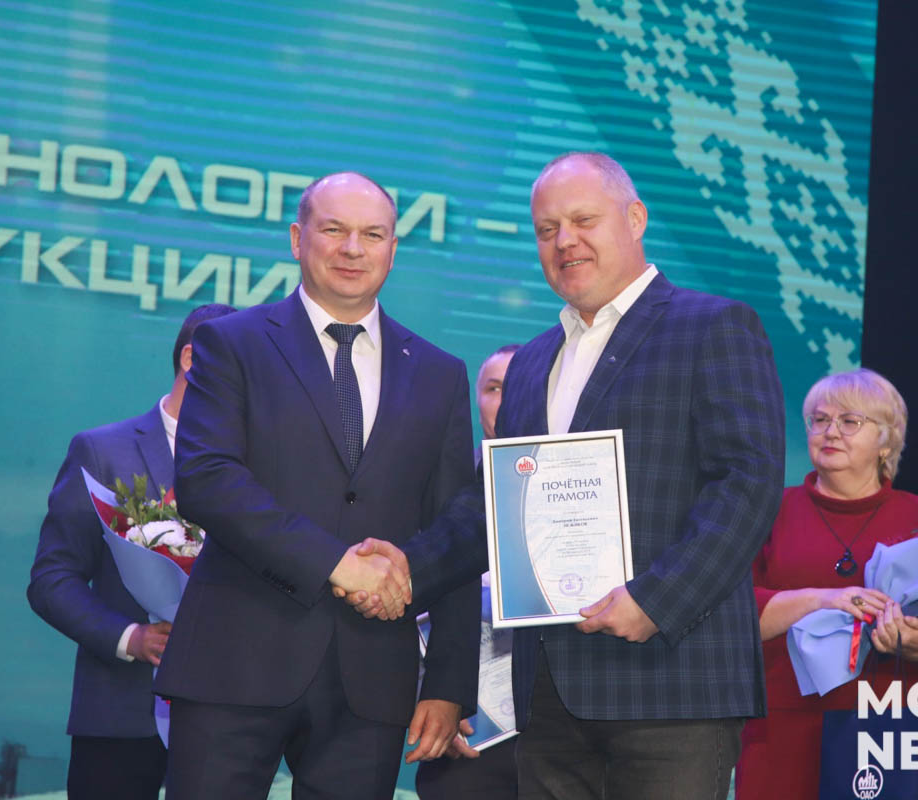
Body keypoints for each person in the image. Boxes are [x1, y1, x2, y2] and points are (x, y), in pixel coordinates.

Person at [359, 151, 786, 800]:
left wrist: (655, 601)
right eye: (546, 229)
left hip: (672, 684)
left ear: (635, 219)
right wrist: (408, 567)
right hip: (549, 693)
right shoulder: (533, 362)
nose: (565, 241)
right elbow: (495, 509)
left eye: (584, 220)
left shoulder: (712, 326)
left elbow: (747, 482)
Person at [153, 172, 480, 799]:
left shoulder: (438, 372)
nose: (353, 248)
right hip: (234, 663)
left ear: (392, 249)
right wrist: (337, 564)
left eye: (372, 235)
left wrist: (447, 682)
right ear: (297, 239)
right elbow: (207, 479)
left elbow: (455, 529)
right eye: (334, 229)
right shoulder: (232, 343)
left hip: (372, 680)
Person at [734, 368, 918, 799]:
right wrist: (820, 599)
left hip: (894, 733)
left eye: (849, 421)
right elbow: (729, 614)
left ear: (887, 441)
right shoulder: (768, 512)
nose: (830, 431)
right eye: (820, 420)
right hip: (783, 732)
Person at [27, 302, 236, 800]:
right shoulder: (104, 451)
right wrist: (131, 638)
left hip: (228, 725)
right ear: (191, 359)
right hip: (120, 716)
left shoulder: (258, 468)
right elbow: (52, 579)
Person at [416, 343, 521, 800]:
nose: (506, 400)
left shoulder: (585, 487)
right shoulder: (434, 486)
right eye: (493, 388)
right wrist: (431, 695)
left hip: (560, 732)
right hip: (463, 724)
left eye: (518, 387)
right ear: (475, 399)